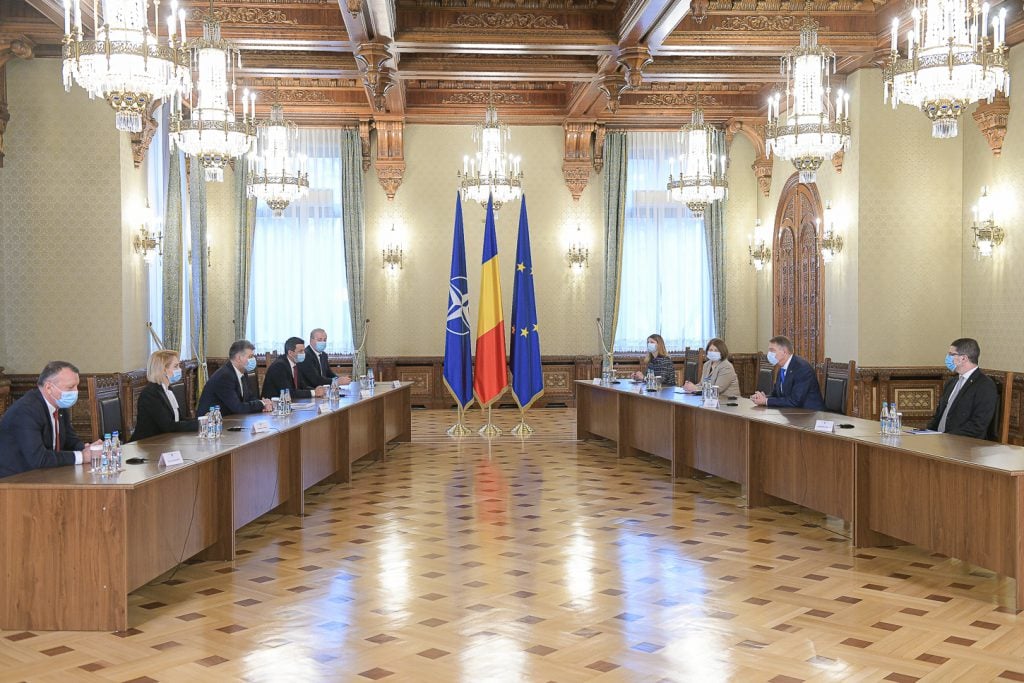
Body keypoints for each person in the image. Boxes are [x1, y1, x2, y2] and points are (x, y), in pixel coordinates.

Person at [0, 361, 102, 478]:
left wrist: (90, 449)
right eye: (70, 387)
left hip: (43, 476)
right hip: (14, 481)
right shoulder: (26, 411)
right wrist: (82, 456)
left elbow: (70, 441)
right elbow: (39, 459)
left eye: (77, 386)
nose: (76, 391)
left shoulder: (59, 405)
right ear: (49, 387)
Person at [926, 337, 998, 439]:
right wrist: (926, 433)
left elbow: (977, 425)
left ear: (964, 358)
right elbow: (938, 415)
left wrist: (947, 438)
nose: (947, 358)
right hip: (939, 442)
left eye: (951, 354)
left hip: (965, 446)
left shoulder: (985, 385)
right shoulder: (951, 382)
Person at [132, 350, 200, 442]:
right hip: (148, 444)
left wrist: (201, 420)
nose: (180, 369)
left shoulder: (168, 389)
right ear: (163, 370)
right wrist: (198, 424)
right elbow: (168, 426)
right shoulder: (150, 393)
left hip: (167, 440)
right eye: (176, 366)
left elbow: (179, 419)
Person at [197, 340, 273, 416]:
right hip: (211, 423)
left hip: (231, 418)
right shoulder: (225, 376)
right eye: (250, 357)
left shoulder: (243, 372)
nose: (253, 359)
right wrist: (262, 403)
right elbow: (238, 408)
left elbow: (250, 397)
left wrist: (263, 404)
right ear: (239, 358)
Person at [751, 335, 824, 410]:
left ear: (784, 352)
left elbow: (795, 401)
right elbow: (777, 395)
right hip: (791, 413)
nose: (769, 354)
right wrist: (764, 397)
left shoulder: (802, 368)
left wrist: (766, 401)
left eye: (772, 350)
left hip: (809, 415)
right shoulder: (782, 368)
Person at [262, 337, 327, 400]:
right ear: (290, 353)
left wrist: (316, 390)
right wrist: (314, 393)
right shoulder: (279, 366)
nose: (304, 354)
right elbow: (288, 393)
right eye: (300, 351)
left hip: (290, 402)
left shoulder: (296, 363)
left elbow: (302, 386)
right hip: (273, 406)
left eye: (304, 351)